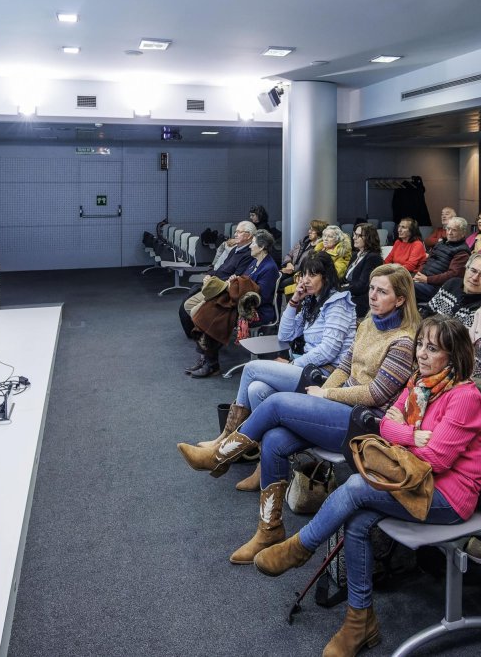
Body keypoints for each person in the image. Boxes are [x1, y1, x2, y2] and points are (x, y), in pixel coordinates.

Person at [250, 316, 481, 657]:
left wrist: (400, 435)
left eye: (432, 349)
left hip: (448, 495)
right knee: (357, 521)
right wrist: (408, 435)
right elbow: (384, 425)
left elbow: (436, 461)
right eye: (421, 344)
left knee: (357, 487)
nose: (421, 353)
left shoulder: (464, 397)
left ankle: (300, 547)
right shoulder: (419, 383)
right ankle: (361, 622)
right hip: (412, 478)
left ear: (453, 356)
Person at [178, 264, 420, 566]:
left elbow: (376, 394)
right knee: (276, 439)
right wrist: (323, 394)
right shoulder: (369, 322)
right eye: (371, 288)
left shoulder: (404, 340)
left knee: (276, 403)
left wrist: (327, 395)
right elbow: (344, 367)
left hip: (363, 425)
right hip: (339, 407)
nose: (372, 295)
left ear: (400, 299)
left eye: (382, 291)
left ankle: (220, 455)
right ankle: (269, 529)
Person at [189, 252, 357, 489]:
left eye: (313, 274)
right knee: (257, 389)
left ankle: (225, 442)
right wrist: (295, 301)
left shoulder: (338, 303)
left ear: (326, 276)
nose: (306, 280)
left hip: (325, 377)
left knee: (251, 368)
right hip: (307, 368)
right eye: (304, 274)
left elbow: (328, 351)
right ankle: (262, 466)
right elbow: (285, 335)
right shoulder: (312, 301)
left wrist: (292, 365)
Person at [186, 230, 279, 378]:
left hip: (254, 309)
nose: (250, 246)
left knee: (214, 315)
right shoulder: (256, 262)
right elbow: (246, 281)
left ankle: (211, 363)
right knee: (207, 309)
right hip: (241, 301)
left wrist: (236, 286)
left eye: (253, 243)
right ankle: (206, 358)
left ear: (262, 247)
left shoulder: (269, 268)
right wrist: (236, 280)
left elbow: (262, 297)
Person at [179, 220, 256, 339]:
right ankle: (205, 332)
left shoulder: (247, 254)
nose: (235, 234)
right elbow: (222, 268)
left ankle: (208, 334)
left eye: (239, 232)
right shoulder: (236, 250)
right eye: (235, 232)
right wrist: (209, 275)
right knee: (187, 303)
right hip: (214, 283)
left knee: (190, 305)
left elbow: (235, 277)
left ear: (249, 235)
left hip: (221, 288)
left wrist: (213, 280)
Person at [413, 216, 470, 303]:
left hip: (437, 288)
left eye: (454, 230)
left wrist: (427, 279)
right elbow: (426, 260)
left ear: (462, 233)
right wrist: (419, 274)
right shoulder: (441, 243)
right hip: (423, 280)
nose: (449, 232)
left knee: (403, 287)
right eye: (448, 229)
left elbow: (452, 275)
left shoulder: (462, 252)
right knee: (397, 280)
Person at [425, 253, 481, 326]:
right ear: (466, 269)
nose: (475, 278)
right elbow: (428, 311)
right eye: (473, 271)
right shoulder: (452, 284)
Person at [345, 223, 385, 318]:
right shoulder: (356, 255)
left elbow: (361, 287)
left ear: (369, 238)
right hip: (349, 294)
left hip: (360, 300)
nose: (354, 237)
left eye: (358, 235)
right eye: (354, 234)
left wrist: (341, 290)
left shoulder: (373, 258)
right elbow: (345, 278)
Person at [279, 219, 327, 291]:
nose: (309, 232)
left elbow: (311, 266)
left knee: (282, 284)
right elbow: (289, 255)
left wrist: (294, 270)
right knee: (274, 278)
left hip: (301, 274)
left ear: (319, 232)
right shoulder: (303, 242)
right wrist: (288, 263)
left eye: (312, 230)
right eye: (310, 229)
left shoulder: (320, 248)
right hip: (290, 270)